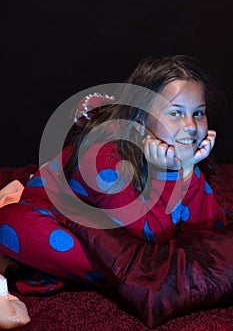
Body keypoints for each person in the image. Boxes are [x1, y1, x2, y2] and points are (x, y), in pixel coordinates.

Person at [0, 54, 227, 294]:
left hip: (116, 231)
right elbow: (150, 239)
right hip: (62, 218)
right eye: (175, 113)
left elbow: (210, 228)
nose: (191, 127)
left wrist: (188, 169)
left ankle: (106, 270)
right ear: (140, 117)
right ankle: (116, 275)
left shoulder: (173, 149)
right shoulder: (103, 157)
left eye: (199, 113)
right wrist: (173, 174)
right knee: (13, 222)